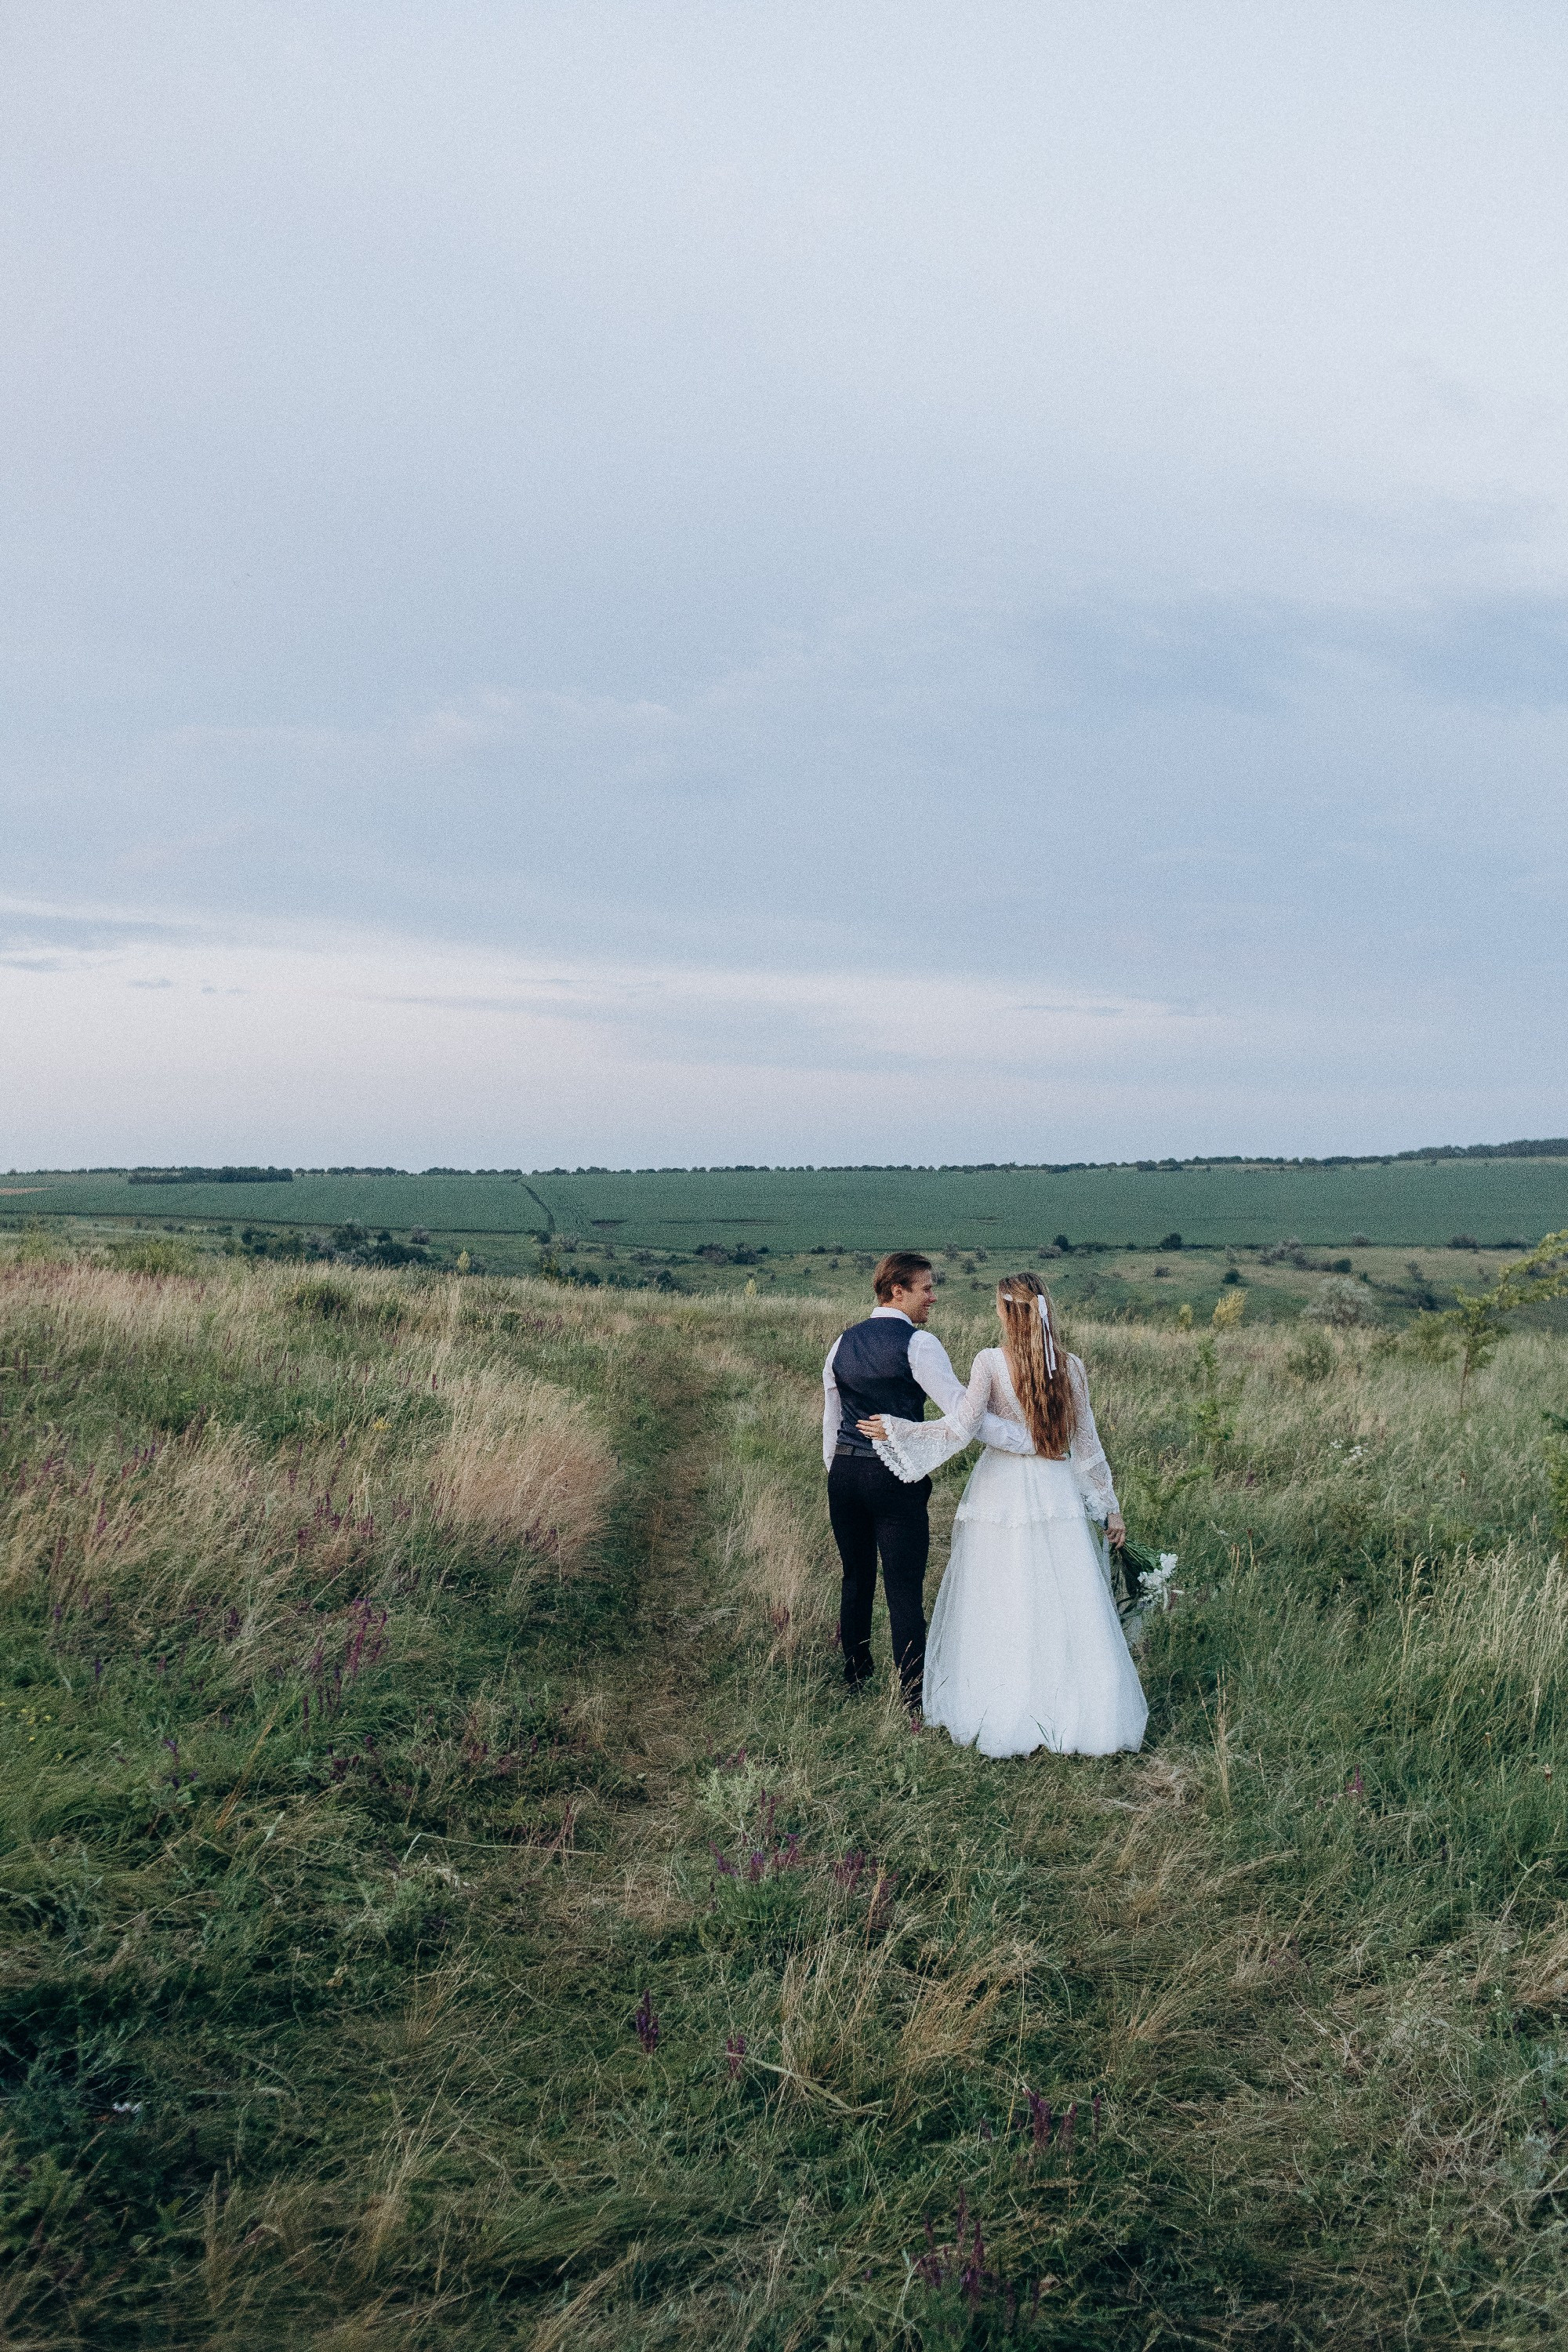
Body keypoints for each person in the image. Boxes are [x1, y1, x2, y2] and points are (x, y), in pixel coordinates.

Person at [856, 1271, 1147, 1759]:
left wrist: (900, 1431)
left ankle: (998, 1704)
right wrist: (1108, 1508)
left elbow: (961, 1428)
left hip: (1001, 1490)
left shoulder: (990, 1362)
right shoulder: (1070, 1367)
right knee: (1062, 1595)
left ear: (1006, 1312)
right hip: (1056, 1488)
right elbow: (1088, 1447)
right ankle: (1075, 1708)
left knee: (1000, 1593)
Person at [822, 1250, 1026, 1702]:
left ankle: (856, 1677)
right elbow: (963, 1412)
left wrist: (836, 1467)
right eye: (926, 1288)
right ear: (898, 1291)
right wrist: (1029, 1439)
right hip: (894, 1476)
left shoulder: (842, 1342)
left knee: (855, 1576)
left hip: (844, 1473)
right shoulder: (918, 1344)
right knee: (904, 1586)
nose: (933, 1298)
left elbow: (831, 1415)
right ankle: (913, 1694)